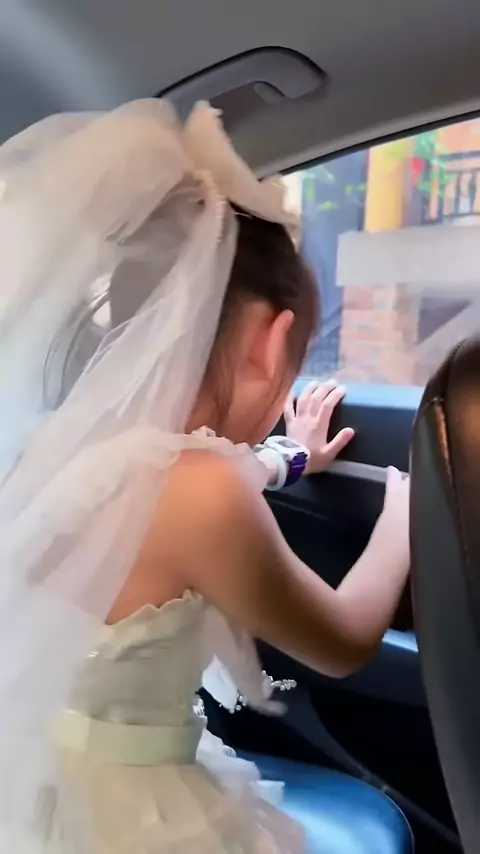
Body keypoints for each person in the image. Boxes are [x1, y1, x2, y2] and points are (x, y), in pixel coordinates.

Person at [0, 99, 410, 852]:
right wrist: (403, 525)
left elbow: (184, 491)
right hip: (129, 813)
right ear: (270, 343)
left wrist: (292, 457)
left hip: (31, 783)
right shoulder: (204, 491)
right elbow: (343, 640)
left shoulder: (52, 448)